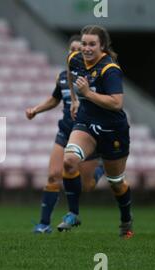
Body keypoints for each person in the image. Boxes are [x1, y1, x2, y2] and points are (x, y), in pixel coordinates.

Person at [26, 35, 105, 234]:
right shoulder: (62, 76)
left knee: (86, 186)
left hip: (87, 134)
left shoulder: (95, 76)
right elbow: (55, 99)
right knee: (53, 175)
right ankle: (44, 225)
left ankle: (99, 169)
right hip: (66, 131)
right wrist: (36, 109)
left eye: (78, 50)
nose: (74, 53)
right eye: (71, 49)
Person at [64, 25, 133, 238]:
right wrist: (75, 100)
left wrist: (86, 93)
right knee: (69, 161)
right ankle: (73, 214)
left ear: (102, 46)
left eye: (92, 44)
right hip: (87, 123)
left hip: (113, 130)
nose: (86, 48)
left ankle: (126, 220)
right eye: (84, 43)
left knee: (116, 184)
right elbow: (70, 73)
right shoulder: (74, 58)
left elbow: (116, 103)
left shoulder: (109, 69)